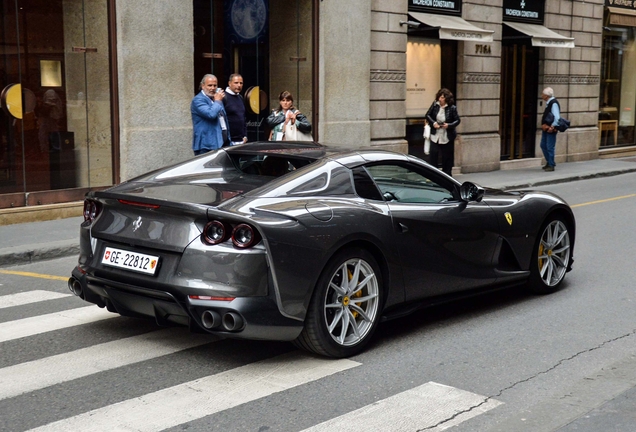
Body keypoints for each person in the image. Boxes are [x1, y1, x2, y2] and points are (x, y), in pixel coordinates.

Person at [191, 74, 230, 156]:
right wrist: (218, 101)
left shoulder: (216, 98)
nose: (213, 88)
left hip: (221, 142)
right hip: (207, 146)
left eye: (215, 85)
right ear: (203, 86)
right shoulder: (198, 100)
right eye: (210, 85)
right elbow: (211, 114)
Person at [426, 88, 460, 176]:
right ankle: (433, 175)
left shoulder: (452, 108)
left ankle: (447, 176)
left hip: (446, 136)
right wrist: (433, 123)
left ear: (446, 99)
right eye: (440, 97)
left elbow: (457, 120)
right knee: (433, 156)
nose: (440, 99)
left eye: (442, 97)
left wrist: (448, 125)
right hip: (435, 135)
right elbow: (428, 115)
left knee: (447, 158)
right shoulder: (435, 105)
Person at [223, 73, 247, 146]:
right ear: (229, 83)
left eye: (241, 83)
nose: (239, 85)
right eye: (236, 83)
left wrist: (245, 135)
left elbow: (243, 118)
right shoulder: (223, 97)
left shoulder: (240, 98)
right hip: (229, 141)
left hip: (241, 141)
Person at [540, 87, 560, 172]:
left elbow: (557, 117)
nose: (542, 96)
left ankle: (551, 164)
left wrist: (552, 126)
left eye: (543, 94)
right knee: (543, 145)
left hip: (550, 129)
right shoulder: (549, 103)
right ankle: (550, 161)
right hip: (546, 128)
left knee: (549, 147)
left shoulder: (553, 103)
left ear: (546, 95)